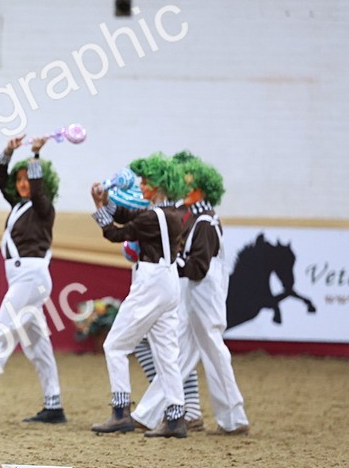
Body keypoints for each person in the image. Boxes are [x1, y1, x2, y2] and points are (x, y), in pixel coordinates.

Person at [132, 153, 250, 435]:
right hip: (193, 296)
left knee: (211, 353)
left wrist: (167, 262)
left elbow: (197, 268)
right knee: (181, 354)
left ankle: (234, 418)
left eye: (186, 184)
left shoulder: (206, 223)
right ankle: (148, 413)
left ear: (200, 189)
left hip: (204, 298)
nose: (180, 189)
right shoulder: (195, 219)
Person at [89, 153, 187, 438]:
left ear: (157, 186)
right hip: (169, 282)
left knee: (115, 345)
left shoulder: (152, 217)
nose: (141, 186)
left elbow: (115, 233)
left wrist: (100, 208)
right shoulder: (173, 215)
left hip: (151, 281)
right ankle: (175, 416)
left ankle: (120, 412)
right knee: (167, 352)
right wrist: (104, 203)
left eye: (146, 182)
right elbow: (128, 216)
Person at [0, 135, 63, 424]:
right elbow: (0, 177)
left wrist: (35, 157)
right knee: (38, 344)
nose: (23, 183)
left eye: (29, 179)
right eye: (19, 179)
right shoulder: (18, 205)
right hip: (24, 279)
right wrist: (8, 151)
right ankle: (54, 405)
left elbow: (37, 191)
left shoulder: (43, 207)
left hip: (30, 278)